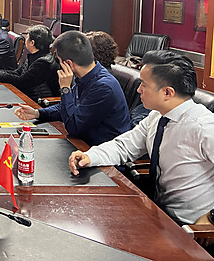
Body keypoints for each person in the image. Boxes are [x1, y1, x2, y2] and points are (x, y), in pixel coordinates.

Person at [68, 51, 214, 227]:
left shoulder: (204, 127)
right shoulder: (157, 116)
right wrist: (91, 156)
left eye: (144, 85)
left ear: (167, 93)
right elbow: (124, 146)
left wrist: (211, 218)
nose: (138, 90)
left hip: (189, 226)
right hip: (157, 212)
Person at [14, 30, 130, 146]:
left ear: (69, 64)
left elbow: (73, 127)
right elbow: (65, 108)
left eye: (59, 61)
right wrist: (37, 113)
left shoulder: (103, 87)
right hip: (85, 143)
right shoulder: (86, 76)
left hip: (100, 150)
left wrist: (65, 88)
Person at [0, 25, 60, 103]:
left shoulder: (43, 62)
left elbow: (22, 82)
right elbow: (18, 72)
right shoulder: (35, 56)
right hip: (28, 94)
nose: (25, 41)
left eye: (27, 38)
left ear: (32, 43)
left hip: (37, 100)